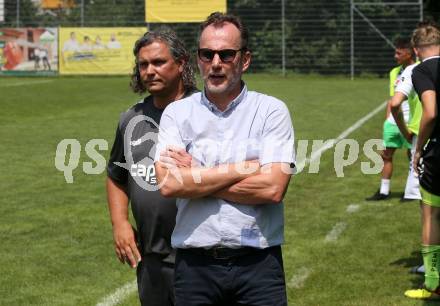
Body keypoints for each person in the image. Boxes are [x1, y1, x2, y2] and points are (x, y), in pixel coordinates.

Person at [154, 12, 295, 306]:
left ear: (244, 60)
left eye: (226, 54)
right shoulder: (177, 114)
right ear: (198, 59)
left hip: (258, 265)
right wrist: (242, 170)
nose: (216, 63)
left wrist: (196, 177)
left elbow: (272, 189)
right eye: (207, 54)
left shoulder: (271, 111)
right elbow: (168, 184)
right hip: (195, 267)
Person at [106, 29, 197, 306]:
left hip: (199, 259)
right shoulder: (131, 118)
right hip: (151, 259)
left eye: (158, 62)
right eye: (143, 64)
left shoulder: (206, 113)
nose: (149, 71)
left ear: (181, 64)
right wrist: (120, 223)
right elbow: (116, 176)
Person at [403, 21, 440, 300]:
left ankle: (433, 282)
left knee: (431, 215)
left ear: (416, 50)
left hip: (438, 153)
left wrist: (419, 149)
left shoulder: (422, 69)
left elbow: (430, 112)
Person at [366, 38, 415, 201]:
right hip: (393, 121)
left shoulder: (420, 69)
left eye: (399, 53)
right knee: (386, 155)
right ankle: (384, 191)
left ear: (409, 53)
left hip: (411, 121)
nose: (395, 56)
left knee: (413, 156)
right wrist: (387, 119)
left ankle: (411, 191)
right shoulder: (394, 72)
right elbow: (392, 98)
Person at [390, 40, 424, 202]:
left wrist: (405, 131)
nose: (395, 56)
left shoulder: (413, 70)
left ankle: (412, 194)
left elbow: (394, 103)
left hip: (420, 127)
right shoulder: (398, 71)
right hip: (421, 125)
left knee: (417, 163)